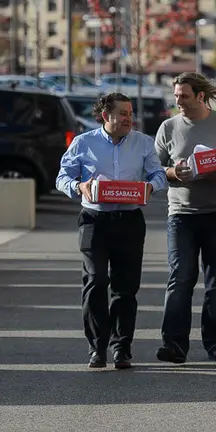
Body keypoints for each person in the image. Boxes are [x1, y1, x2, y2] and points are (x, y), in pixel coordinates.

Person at [55, 92, 167, 369]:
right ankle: (97, 347)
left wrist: (150, 187)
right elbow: (62, 177)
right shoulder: (83, 143)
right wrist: (79, 187)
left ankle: (122, 348)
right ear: (106, 116)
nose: (130, 118)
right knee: (95, 280)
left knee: (125, 288)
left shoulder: (143, 143)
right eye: (124, 113)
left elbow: (159, 174)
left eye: (131, 113)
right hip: (94, 220)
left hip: (129, 221)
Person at [154, 72, 216, 363]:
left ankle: (215, 343)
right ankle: (174, 345)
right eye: (176, 95)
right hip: (181, 214)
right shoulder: (168, 127)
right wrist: (174, 172)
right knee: (180, 278)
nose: (178, 101)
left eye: (184, 95)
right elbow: (155, 172)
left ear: (200, 96)